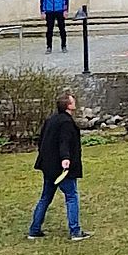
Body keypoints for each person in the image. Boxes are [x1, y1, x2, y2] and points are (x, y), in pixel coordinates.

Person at [28, 92, 88, 240]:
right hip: (61, 168)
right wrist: (65, 159)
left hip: (48, 167)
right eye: (72, 101)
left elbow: (41, 140)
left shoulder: (51, 120)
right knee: (71, 196)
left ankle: (34, 230)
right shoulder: (66, 123)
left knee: (45, 197)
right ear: (68, 105)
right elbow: (64, 141)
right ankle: (75, 231)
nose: (75, 102)